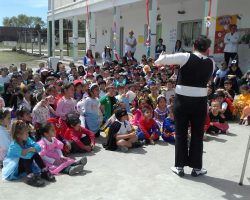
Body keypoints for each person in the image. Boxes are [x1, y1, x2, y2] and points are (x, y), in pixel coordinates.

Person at [155, 35, 214, 177]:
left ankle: (179, 167)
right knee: (197, 135)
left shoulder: (185, 56)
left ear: (194, 46)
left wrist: (162, 55)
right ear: (207, 49)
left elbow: (159, 61)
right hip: (200, 102)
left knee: (181, 133)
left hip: (182, 101)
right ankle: (197, 168)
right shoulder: (211, 62)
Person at [2, 120, 56, 187]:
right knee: (29, 154)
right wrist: (30, 149)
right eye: (26, 133)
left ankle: (44, 171)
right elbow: (25, 155)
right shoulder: (14, 146)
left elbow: (38, 148)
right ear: (18, 135)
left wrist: (32, 150)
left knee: (34, 153)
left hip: (24, 165)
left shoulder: (27, 139)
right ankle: (30, 177)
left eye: (28, 132)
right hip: (15, 169)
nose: (28, 135)